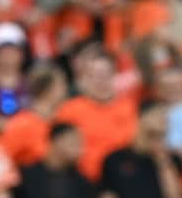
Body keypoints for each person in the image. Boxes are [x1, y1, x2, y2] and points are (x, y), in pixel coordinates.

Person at [55, 49, 137, 182]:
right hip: (83, 180)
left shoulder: (129, 107)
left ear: (115, 76)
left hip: (124, 179)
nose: (101, 81)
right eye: (95, 75)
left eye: (106, 75)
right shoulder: (69, 110)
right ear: (84, 79)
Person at [99, 101, 182, 198]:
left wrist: (163, 162)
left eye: (165, 117)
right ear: (141, 118)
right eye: (158, 114)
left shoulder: (173, 160)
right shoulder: (115, 159)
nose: (163, 120)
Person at [13, 123, 95, 198]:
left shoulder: (82, 183)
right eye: (73, 143)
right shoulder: (25, 176)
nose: (80, 149)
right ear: (55, 141)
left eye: (80, 144)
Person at [1, 63, 68, 166]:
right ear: (48, 89)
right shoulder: (20, 124)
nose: (65, 89)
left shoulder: (63, 119)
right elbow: (5, 160)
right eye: (61, 85)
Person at [0, 22, 29, 130]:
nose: (8, 56)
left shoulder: (32, 83)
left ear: (22, 54)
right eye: (2, 52)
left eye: (12, 51)